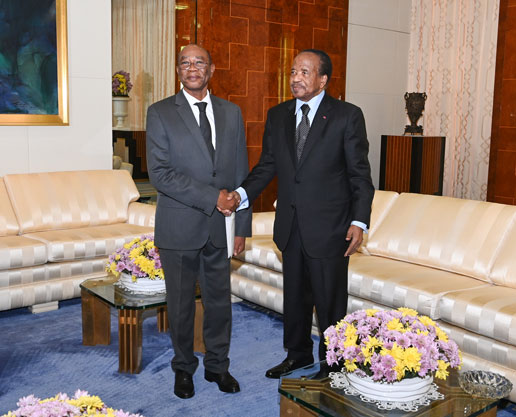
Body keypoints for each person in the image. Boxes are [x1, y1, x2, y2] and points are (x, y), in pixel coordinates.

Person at [233, 49, 374, 379]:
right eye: (293, 71)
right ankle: (297, 355)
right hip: (291, 227)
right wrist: (240, 194)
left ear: (323, 79)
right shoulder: (278, 114)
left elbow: (359, 175)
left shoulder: (346, 116)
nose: (296, 77)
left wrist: (359, 221)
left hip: (330, 228)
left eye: (304, 72)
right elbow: (268, 165)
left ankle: (332, 364)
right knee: (295, 298)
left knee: (329, 302)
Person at [146, 44, 251, 399]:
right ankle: (183, 368)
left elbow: (240, 173)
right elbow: (160, 174)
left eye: (199, 62)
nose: (192, 68)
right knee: (180, 305)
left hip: (221, 227)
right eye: (185, 63)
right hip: (179, 227)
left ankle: (218, 367)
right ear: (178, 70)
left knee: (220, 303)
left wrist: (243, 227)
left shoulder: (232, 112)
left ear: (212, 68)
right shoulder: (160, 112)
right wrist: (213, 198)